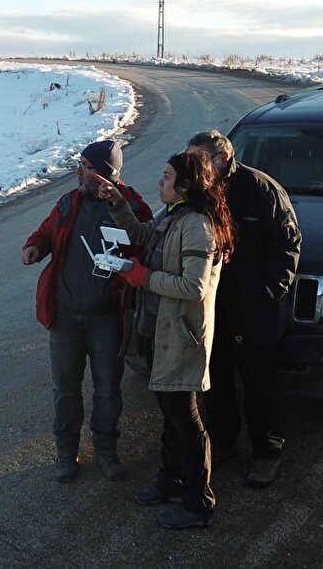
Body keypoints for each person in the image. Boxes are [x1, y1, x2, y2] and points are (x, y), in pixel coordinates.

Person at [93, 151, 234, 530]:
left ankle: (199, 503)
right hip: (160, 332)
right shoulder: (173, 215)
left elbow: (194, 286)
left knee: (187, 422)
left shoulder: (197, 226)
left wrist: (141, 277)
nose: (160, 181)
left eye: (167, 176)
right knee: (171, 418)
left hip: (181, 338)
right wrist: (118, 204)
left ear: (186, 185)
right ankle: (170, 483)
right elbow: (142, 235)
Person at [23, 140, 152, 484]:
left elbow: (146, 245)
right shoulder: (71, 201)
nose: (78, 171)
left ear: (106, 174)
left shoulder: (133, 206)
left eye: (86, 166)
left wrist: (119, 208)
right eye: (79, 164)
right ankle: (66, 453)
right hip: (64, 315)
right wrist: (35, 246)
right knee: (65, 389)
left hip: (107, 318)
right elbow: (47, 230)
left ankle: (106, 451)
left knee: (108, 389)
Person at [186, 130, 301, 488]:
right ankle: (222, 444)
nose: (192, 166)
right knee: (216, 382)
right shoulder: (198, 193)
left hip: (254, 310)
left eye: (199, 159)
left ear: (222, 159)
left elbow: (288, 246)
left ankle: (267, 453)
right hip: (212, 308)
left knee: (258, 385)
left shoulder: (260, 190)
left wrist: (268, 293)